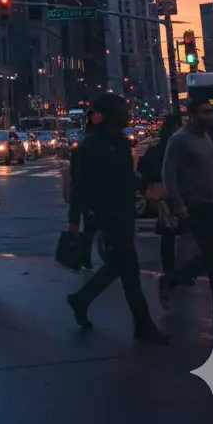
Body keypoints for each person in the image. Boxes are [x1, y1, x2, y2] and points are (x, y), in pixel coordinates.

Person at [66, 94, 167, 343]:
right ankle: (144, 326)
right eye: (123, 110)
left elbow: (125, 175)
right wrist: (74, 221)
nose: (128, 114)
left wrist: (145, 188)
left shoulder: (119, 143)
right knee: (129, 271)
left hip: (123, 212)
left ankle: (81, 299)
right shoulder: (93, 146)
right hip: (107, 214)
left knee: (119, 267)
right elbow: (80, 185)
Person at [162, 98, 213, 321]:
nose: (210, 116)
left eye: (211, 111)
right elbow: (168, 173)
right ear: (192, 114)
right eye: (205, 112)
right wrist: (178, 203)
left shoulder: (206, 137)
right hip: (196, 205)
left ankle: (179, 281)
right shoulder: (180, 139)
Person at [137, 113, 183, 287]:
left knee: (169, 232)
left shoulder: (156, 148)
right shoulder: (174, 146)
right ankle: (177, 271)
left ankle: (171, 269)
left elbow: (143, 170)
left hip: (163, 193)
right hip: (174, 191)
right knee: (179, 232)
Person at [67, 108, 100, 269]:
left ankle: (82, 257)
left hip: (80, 191)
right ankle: (84, 257)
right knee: (90, 227)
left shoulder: (79, 147)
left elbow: (73, 173)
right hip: (92, 192)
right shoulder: (97, 145)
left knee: (85, 226)